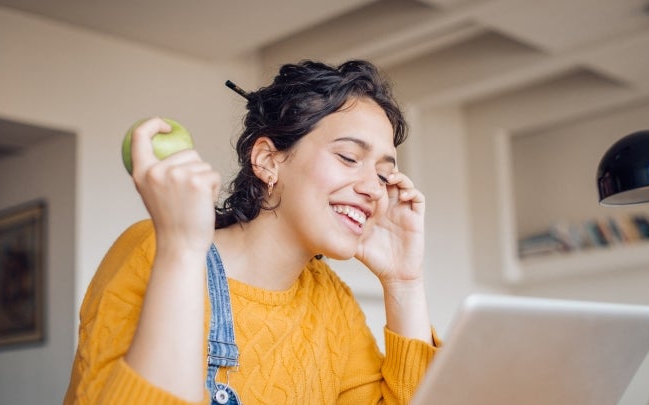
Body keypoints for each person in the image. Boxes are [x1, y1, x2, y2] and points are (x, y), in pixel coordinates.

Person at [64, 60, 438, 405]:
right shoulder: (153, 247)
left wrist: (404, 281)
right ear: (267, 160)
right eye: (348, 158)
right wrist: (181, 249)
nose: (374, 188)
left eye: (383, 173)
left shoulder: (331, 302)